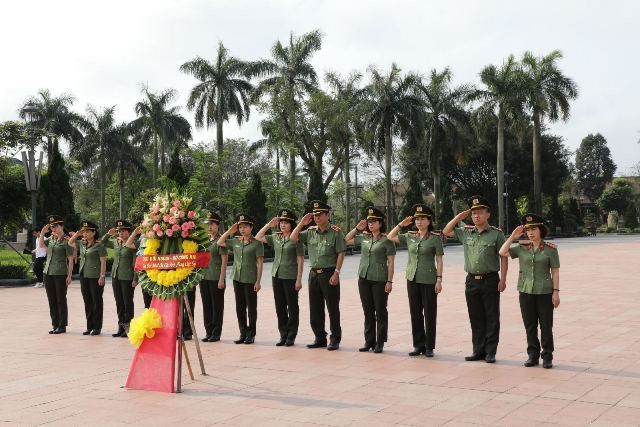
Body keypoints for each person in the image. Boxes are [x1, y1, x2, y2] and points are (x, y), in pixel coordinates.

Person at [443, 196, 508, 364]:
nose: (476, 216)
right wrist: (458, 218)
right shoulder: (466, 232)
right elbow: (446, 231)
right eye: (473, 213)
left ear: (488, 214)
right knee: (476, 317)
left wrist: (503, 279)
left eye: (480, 212)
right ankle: (478, 350)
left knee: (492, 316)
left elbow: (504, 257)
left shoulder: (496, 234)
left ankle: (490, 352)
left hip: (490, 279)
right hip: (472, 281)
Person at [499, 213, 560, 369]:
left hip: (544, 292)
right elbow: (502, 252)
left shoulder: (550, 249)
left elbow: (555, 271)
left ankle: (547, 356)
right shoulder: (521, 248)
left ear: (541, 230)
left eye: (534, 229)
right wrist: (513, 236)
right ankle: (533, 355)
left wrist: (556, 292)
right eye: (528, 230)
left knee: (546, 325)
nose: (530, 233)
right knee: (530, 325)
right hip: (525, 291)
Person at [388, 204, 443, 357]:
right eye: (417, 219)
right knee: (415, 313)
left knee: (430, 313)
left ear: (429, 220)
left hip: (429, 279)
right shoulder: (410, 236)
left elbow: (439, 260)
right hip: (412, 278)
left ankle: (429, 346)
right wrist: (400, 225)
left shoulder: (435, 238)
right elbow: (390, 237)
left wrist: (439, 279)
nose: (419, 222)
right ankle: (418, 345)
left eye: (422, 219)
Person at [290, 200, 346, 351]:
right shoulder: (310, 231)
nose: (317, 217)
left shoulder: (336, 232)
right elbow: (293, 238)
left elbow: (341, 253)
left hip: (329, 273)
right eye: (314, 215)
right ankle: (319, 337)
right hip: (313, 273)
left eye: (320, 214)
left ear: (327, 215)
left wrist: (337, 273)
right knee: (315, 308)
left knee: (332, 308)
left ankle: (335, 339)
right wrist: (302, 222)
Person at [344, 207, 396, 354]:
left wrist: (389, 281)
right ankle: (369, 341)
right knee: (367, 311)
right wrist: (356, 229)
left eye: (374, 222)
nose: (371, 224)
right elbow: (346, 239)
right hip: (364, 279)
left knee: (380, 311)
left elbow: (391, 262)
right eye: (369, 222)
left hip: (379, 280)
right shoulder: (364, 237)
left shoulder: (387, 240)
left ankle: (380, 342)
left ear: (380, 223)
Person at [255, 209, 305, 347]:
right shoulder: (275, 237)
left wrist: (299, 279)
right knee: (280, 306)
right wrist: (268, 225)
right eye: (281, 222)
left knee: (292, 306)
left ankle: (291, 335)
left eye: (286, 223)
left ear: (291, 225)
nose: (283, 225)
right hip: (276, 275)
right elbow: (258, 237)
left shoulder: (297, 238)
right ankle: (283, 334)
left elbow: (300, 260)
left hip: (290, 276)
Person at [218, 214, 264, 345]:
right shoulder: (235, 241)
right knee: (240, 307)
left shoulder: (257, 243)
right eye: (240, 227)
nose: (242, 230)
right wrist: (229, 231)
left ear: (251, 227)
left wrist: (258, 281)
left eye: (245, 227)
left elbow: (260, 263)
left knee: (251, 308)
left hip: (250, 279)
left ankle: (251, 334)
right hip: (237, 278)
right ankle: (243, 333)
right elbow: (220, 242)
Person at [68, 221, 107, 336]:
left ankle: (97, 327)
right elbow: (70, 242)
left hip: (95, 277)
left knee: (96, 302)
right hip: (84, 275)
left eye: (88, 231)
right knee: (87, 301)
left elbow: (103, 261)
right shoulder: (83, 243)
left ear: (94, 232)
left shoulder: (99, 245)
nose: (85, 234)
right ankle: (89, 326)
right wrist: (77, 234)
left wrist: (102, 276)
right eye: (84, 231)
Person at [101, 219, 136, 338]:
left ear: (128, 232)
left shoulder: (132, 244)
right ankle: (120, 327)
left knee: (127, 303)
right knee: (119, 303)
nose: (121, 233)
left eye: (123, 231)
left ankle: (128, 328)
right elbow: (102, 242)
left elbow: (135, 262)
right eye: (119, 231)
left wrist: (135, 278)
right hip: (116, 276)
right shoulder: (116, 242)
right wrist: (108, 234)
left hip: (127, 277)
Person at [39, 215, 74, 334]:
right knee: (51, 299)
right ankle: (55, 324)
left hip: (60, 273)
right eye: (52, 226)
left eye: (56, 226)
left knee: (61, 299)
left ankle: (62, 325)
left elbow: (70, 259)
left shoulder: (67, 241)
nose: (53, 228)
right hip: (48, 272)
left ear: (62, 226)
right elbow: (41, 245)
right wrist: (43, 233)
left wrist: (69, 276)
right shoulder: (51, 239)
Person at [199, 211, 228, 343]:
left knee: (217, 306)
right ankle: (208, 331)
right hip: (204, 277)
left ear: (218, 225)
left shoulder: (221, 240)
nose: (209, 227)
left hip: (216, 277)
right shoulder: (204, 240)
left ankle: (216, 332)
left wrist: (222, 278)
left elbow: (224, 261)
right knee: (207, 305)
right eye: (208, 224)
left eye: (212, 224)